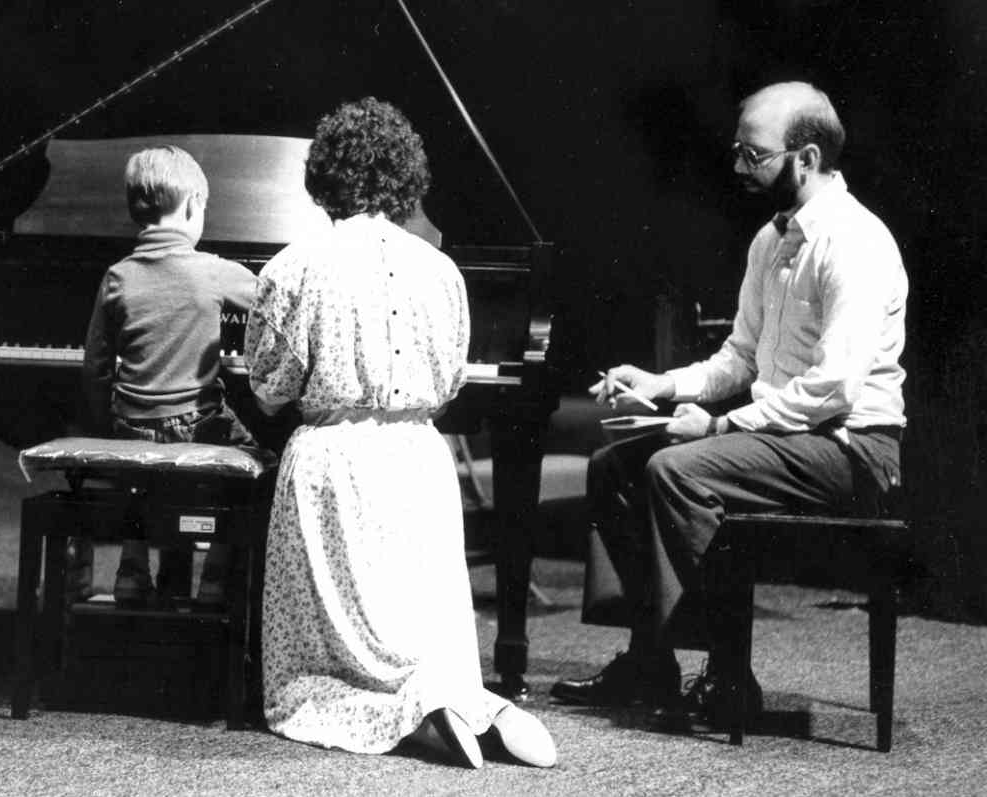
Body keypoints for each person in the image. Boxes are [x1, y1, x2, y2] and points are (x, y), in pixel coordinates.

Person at [551, 81, 907, 726]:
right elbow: (738, 360)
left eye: (754, 155)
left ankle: (728, 674)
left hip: (852, 448)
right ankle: (651, 662)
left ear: (806, 158)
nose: (738, 167)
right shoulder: (770, 242)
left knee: (678, 469)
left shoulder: (854, 241)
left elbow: (834, 390)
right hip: (793, 437)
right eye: (738, 151)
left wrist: (716, 424)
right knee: (613, 468)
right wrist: (662, 384)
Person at [244, 97, 556, 769]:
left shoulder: (294, 264)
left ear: (325, 177)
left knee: (315, 677)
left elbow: (270, 385)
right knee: (419, 629)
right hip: (418, 459)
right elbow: (447, 381)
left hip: (334, 461)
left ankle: (410, 713)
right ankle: (477, 702)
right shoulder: (440, 270)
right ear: (405, 178)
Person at [81, 144, 259, 605]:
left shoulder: (117, 276)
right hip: (197, 423)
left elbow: (96, 365)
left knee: (140, 478)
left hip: (131, 424)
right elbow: (275, 298)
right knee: (261, 464)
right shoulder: (214, 270)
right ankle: (217, 575)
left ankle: (132, 567)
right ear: (193, 207)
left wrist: (105, 427)